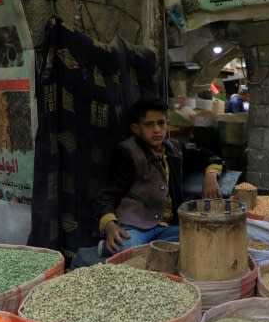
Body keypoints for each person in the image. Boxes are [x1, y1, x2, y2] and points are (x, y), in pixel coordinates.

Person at [95, 98, 224, 255]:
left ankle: (148, 248)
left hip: (167, 228)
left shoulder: (175, 149)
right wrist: (110, 225)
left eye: (161, 123)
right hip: (136, 226)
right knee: (128, 251)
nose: (156, 130)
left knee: (204, 237)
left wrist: (210, 176)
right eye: (149, 125)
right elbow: (107, 195)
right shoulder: (127, 153)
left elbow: (207, 156)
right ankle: (113, 246)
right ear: (135, 128)